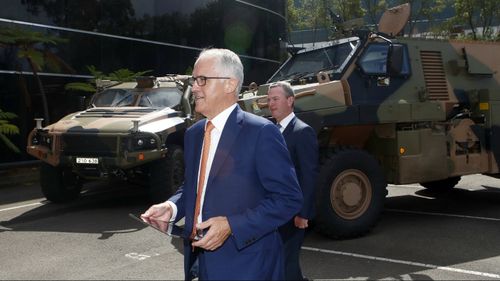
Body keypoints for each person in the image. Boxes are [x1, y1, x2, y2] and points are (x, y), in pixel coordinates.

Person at [141, 48, 303, 280]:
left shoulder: (261, 132)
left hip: (250, 267)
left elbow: (289, 199)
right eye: (194, 80)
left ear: (230, 84)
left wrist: (232, 225)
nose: (194, 87)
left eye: (202, 80)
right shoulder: (194, 134)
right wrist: (171, 207)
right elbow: (193, 187)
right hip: (200, 264)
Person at [267, 81, 319, 281]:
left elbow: (309, 174)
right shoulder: (270, 130)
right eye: (269, 99)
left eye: (276, 99)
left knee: (285, 261)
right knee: (282, 261)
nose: (271, 104)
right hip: (272, 209)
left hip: (293, 212)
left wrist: (303, 213)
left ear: (290, 101)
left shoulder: (302, 132)